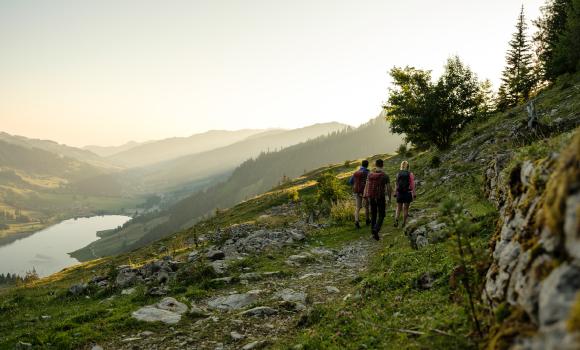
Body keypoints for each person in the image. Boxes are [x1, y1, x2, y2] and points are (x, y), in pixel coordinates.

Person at [363, 159, 392, 240]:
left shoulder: (370, 174)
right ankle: (376, 229)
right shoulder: (385, 175)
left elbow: (367, 185)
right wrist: (389, 198)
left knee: (373, 214)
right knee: (382, 214)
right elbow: (388, 188)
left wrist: (365, 196)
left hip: (371, 196)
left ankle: (373, 232)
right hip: (380, 197)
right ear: (383, 165)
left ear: (375, 165)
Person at [348, 160, 370, 229]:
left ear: (361, 165)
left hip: (356, 191)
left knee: (358, 207)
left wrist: (355, 185)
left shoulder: (356, 172)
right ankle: (367, 220)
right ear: (367, 165)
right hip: (364, 191)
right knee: (366, 206)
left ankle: (356, 221)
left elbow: (350, 181)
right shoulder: (367, 172)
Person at [394, 160, 416, 228]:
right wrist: (414, 193)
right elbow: (412, 185)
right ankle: (403, 223)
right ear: (408, 166)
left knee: (398, 208)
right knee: (406, 209)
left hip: (400, 193)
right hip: (407, 193)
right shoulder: (410, 174)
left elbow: (396, 184)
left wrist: (395, 192)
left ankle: (396, 219)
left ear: (401, 166)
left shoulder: (398, 173)